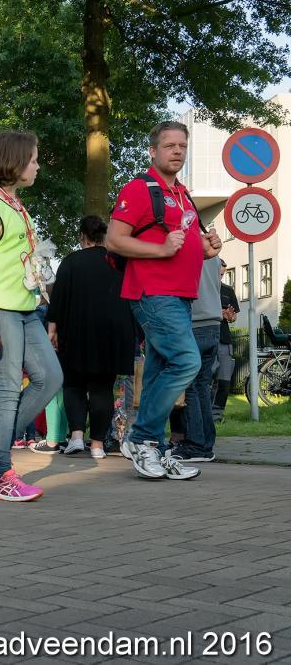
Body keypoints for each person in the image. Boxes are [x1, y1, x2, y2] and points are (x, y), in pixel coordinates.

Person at [106, 120, 222, 481]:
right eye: (170, 145)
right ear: (153, 151)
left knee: (158, 372)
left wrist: (207, 249)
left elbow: (184, 245)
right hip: (153, 293)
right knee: (187, 362)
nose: (177, 151)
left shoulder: (182, 194)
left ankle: (153, 447)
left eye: (182, 146)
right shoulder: (140, 189)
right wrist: (161, 249)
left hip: (181, 296)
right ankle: (141, 438)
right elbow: (114, 239)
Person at [0, 131, 62, 502]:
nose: (37, 166)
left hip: (24, 308)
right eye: (33, 159)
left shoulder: (16, 206)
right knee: (6, 389)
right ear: (15, 162)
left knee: (50, 377)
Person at [46, 215, 135, 459]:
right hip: (111, 333)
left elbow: (58, 298)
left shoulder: (70, 262)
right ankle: (97, 445)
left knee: (73, 383)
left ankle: (76, 436)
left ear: (82, 237)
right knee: (102, 388)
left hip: (75, 330)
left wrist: (52, 329)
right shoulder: (118, 261)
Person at [173, 255, 222, 462]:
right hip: (214, 323)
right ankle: (206, 444)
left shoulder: (188, 247)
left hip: (194, 321)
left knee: (190, 387)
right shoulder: (214, 254)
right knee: (202, 386)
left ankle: (195, 445)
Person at [213, 259, 239, 421]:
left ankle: (217, 415)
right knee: (205, 378)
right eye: (218, 273)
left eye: (222, 274)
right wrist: (218, 313)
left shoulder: (228, 290)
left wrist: (230, 316)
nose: (220, 277)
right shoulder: (201, 287)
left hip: (223, 338)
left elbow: (234, 316)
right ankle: (204, 414)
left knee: (224, 378)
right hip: (204, 336)